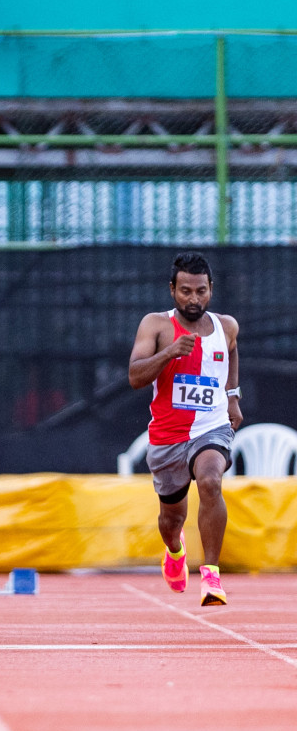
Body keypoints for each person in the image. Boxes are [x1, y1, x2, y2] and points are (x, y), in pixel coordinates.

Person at [128, 250, 241, 606]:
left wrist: (233, 396)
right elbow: (134, 376)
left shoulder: (227, 326)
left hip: (212, 426)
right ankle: (175, 551)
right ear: (172, 290)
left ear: (211, 289)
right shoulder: (156, 325)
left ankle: (211, 576)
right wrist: (169, 353)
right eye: (186, 291)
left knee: (210, 480)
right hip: (168, 436)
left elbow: (232, 350)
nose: (194, 299)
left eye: (201, 291)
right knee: (171, 519)